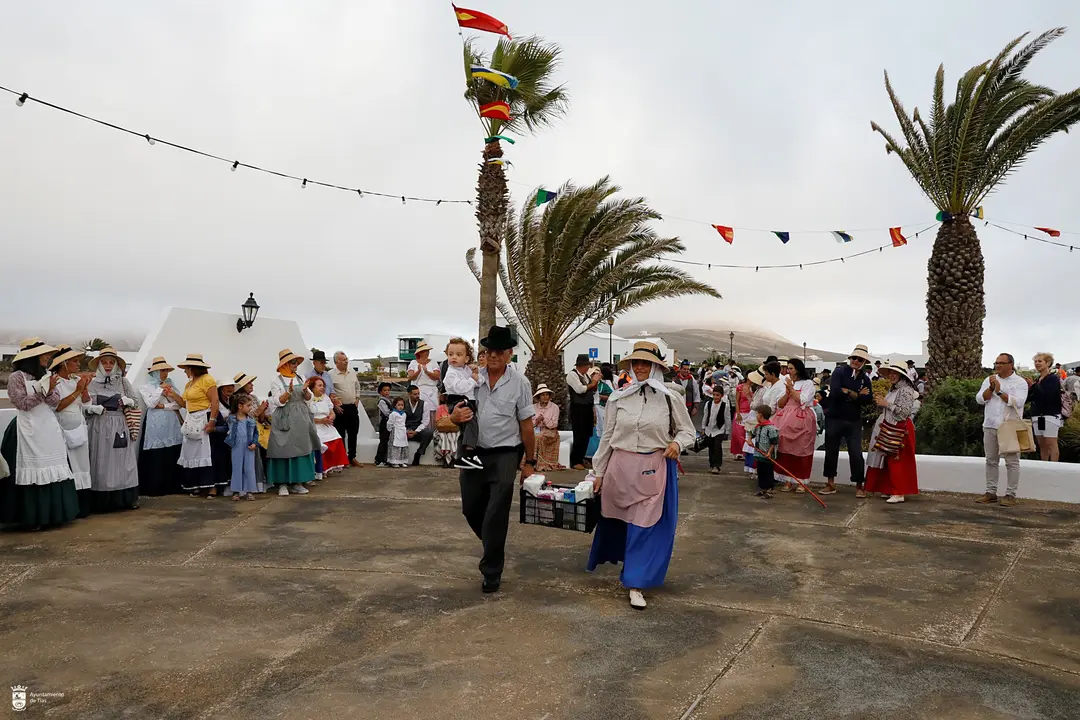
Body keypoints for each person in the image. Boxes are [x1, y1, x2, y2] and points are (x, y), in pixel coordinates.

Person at [587, 341, 694, 610]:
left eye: (647, 363)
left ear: (657, 367)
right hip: (619, 468)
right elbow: (608, 436)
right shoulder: (618, 397)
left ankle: (635, 582)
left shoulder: (670, 398)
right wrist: (598, 471)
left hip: (654, 468)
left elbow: (687, 431)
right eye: (637, 363)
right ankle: (627, 567)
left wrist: (676, 444)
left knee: (644, 525)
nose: (642, 367)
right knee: (617, 521)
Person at [449, 326, 536, 594]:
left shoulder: (520, 382)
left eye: (500, 351)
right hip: (472, 452)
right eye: (489, 351)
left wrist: (530, 462)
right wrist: (453, 418)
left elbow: (527, 425)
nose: (494, 356)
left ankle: (491, 570)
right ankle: (494, 546)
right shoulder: (471, 379)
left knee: (496, 512)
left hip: (506, 454)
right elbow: (447, 421)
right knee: (471, 509)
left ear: (509, 354)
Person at [1, 339, 79, 529]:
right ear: (33, 357)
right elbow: (22, 403)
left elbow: (54, 401)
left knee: (54, 466)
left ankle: (54, 515)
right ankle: (31, 517)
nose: (47, 359)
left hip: (47, 427)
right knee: (29, 467)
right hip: (27, 428)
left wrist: (50, 390)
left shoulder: (45, 375)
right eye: (44, 356)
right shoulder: (17, 378)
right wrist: (44, 392)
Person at [85, 347, 141, 512]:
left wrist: (128, 401)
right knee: (100, 461)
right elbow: (82, 405)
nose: (108, 365)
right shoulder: (91, 383)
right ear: (99, 364)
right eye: (104, 362)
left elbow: (135, 402)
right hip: (99, 425)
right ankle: (101, 501)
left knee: (122, 461)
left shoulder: (123, 382)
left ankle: (126, 498)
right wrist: (91, 409)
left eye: (111, 362)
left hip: (119, 424)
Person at [975, 353, 1029, 507]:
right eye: (996, 362)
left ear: (1010, 365)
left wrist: (999, 392)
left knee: (1012, 462)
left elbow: (1018, 402)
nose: (997, 365)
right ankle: (990, 492)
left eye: (1001, 363)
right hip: (990, 424)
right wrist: (991, 389)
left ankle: (1011, 494)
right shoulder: (990, 379)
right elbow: (980, 399)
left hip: (1009, 426)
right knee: (991, 460)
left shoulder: (1020, 382)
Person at [47, 345, 95, 515]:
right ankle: (70, 506)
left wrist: (85, 389)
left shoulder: (75, 380)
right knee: (70, 465)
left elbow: (87, 403)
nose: (77, 364)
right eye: (74, 361)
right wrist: (78, 391)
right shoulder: (55, 383)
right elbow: (58, 406)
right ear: (64, 364)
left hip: (78, 426)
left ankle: (83, 505)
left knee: (82, 464)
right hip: (63, 428)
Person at [822, 345, 874, 497]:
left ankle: (859, 485)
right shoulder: (839, 371)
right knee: (831, 451)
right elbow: (836, 392)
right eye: (854, 358)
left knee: (856, 453)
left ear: (864, 361)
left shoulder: (865, 379)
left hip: (853, 420)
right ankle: (830, 483)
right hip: (834, 418)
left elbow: (868, 399)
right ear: (850, 358)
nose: (856, 361)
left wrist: (850, 392)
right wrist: (857, 394)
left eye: (860, 359)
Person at [865, 363, 920, 503]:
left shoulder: (905, 390)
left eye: (894, 373)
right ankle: (890, 488)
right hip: (890, 426)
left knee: (897, 460)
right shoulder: (894, 389)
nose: (891, 375)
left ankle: (898, 491)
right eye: (890, 373)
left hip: (900, 429)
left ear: (902, 375)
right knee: (888, 459)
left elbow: (903, 412)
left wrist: (886, 404)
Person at [266, 349, 317, 496]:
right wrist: (288, 392)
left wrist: (306, 391)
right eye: (293, 362)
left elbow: (309, 398)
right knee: (283, 448)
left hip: (301, 417)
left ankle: (298, 482)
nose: (296, 365)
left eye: (296, 362)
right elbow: (277, 401)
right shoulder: (276, 381)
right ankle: (282, 483)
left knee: (301, 447)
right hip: (285, 416)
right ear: (285, 364)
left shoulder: (300, 377)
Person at [168, 353, 219, 498]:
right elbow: (184, 403)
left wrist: (212, 420)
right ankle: (197, 484)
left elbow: (214, 401)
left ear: (192, 368)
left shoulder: (207, 380)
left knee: (206, 452)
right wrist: (172, 394)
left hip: (204, 416)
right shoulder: (189, 384)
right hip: (192, 418)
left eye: (186, 368)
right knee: (191, 453)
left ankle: (211, 486)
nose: (185, 371)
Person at [138, 357, 184, 497]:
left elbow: (179, 404)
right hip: (155, 424)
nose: (165, 373)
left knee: (171, 451)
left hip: (171, 422)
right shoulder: (146, 387)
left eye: (166, 370)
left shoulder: (171, 385)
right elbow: (151, 404)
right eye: (162, 370)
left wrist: (164, 405)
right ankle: (155, 487)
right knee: (156, 454)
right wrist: (159, 391)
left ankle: (173, 485)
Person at [773, 358, 817, 493]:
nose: (788, 371)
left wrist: (791, 390)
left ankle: (801, 481)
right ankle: (787, 479)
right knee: (785, 447)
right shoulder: (787, 383)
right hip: (786, 418)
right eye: (788, 368)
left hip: (801, 419)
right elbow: (780, 404)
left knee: (801, 449)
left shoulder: (808, 383)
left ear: (797, 369)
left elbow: (803, 399)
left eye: (791, 368)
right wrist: (787, 392)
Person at [442, 337, 482, 469]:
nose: (454, 357)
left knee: (468, 427)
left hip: (467, 399)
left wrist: (475, 373)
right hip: (457, 400)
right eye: (451, 354)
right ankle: (469, 453)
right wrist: (472, 379)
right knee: (471, 423)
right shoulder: (451, 373)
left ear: (466, 358)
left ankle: (464, 456)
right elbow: (460, 387)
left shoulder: (466, 369)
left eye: (458, 355)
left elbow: (480, 382)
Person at [308, 376, 348, 475]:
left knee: (337, 438)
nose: (322, 388)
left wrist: (331, 417)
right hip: (315, 426)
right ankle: (322, 468)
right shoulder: (309, 399)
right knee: (321, 442)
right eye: (319, 385)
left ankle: (331, 466)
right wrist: (321, 421)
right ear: (312, 387)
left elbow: (332, 412)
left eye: (323, 386)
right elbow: (307, 417)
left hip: (327, 424)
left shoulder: (325, 397)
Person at [330, 352, 364, 468]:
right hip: (340, 408)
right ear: (336, 362)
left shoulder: (352, 373)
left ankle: (352, 457)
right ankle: (343, 459)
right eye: (343, 359)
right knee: (341, 433)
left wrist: (357, 398)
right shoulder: (330, 375)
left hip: (352, 407)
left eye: (346, 359)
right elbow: (330, 392)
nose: (346, 361)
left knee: (353, 432)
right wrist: (334, 405)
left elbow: (357, 387)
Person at [1027, 352, 1062, 462]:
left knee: (1051, 443)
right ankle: (1044, 466)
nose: (1037, 363)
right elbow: (1032, 397)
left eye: (1040, 361)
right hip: (1037, 415)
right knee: (1042, 444)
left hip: (1050, 415)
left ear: (1048, 363)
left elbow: (1048, 395)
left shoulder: (1052, 379)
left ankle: (1054, 468)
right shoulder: (1038, 380)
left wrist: (1033, 385)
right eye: (1035, 361)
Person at [566, 354, 599, 470]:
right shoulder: (572, 375)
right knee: (579, 434)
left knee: (586, 434)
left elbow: (592, 391)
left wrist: (595, 383)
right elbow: (580, 389)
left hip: (587, 408)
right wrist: (593, 383)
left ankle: (581, 458)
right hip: (578, 409)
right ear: (582, 365)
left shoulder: (586, 376)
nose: (588, 368)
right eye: (587, 366)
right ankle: (575, 460)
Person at [225, 393, 259, 501]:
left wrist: (254, 443)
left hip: (248, 446)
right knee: (237, 467)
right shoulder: (231, 419)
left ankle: (249, 491)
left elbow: (256, 433)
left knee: (249, 468)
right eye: (248, 405)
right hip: (236, 445)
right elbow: (226, 429)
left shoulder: (251, 420)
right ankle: (236, 491)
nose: (250, 408)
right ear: (240, 406)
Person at [407, 342, 441, 431]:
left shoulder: (433, 362)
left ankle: (432, 432)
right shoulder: (413, 363)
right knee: (420, 411)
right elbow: (410, 377)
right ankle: (417, 431)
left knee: (432, 412)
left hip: (431, 391)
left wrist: (427, 372)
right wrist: (418, 371)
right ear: (421, 352)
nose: (428, 352)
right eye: (426, 351)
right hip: (418, 391)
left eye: (428, 351)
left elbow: (437, 376)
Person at [531, 384, 564, 472]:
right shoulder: (533, 407)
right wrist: (536, 421)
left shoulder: (554, 407)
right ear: (539, 396)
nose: (545, 397)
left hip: (551, 431)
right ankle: (529, 462)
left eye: (547, 394)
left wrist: (544, 420)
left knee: (539, 437)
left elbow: (554, 424)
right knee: (532, 436)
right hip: (536, 430)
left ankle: (536, 462)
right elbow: (530, 423)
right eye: (543, 395)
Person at [210, 378, 235, 495]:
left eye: (232, 386)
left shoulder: (233, 401)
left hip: (233, 434)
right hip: (220, 436)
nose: (230, 388)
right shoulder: (217, 403)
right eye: (227, 386)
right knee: (221, 459)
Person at [751, 405, 779, 499]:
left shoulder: (770, 428)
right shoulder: (758, 427)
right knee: (761, 472)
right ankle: (763, 489)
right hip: (759, 454)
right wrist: (750, 440)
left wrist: (769, 452)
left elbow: (774, 442)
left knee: (768, 472)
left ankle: (770, 490)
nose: (756, 416)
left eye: (757, 414)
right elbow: (752, 434)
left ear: (760, 415)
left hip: (767, 455)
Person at [700, 385, 729, 474]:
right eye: (714, 395)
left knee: (717, 447)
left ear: (722, 396)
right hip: (709, 429)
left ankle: (717, 465)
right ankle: (712, 464)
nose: (716, 397)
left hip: (719, 430)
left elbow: (727, 419)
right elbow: (705, 416)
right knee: (711, 447)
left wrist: (727, 431)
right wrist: (703, 428)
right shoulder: (708, 404)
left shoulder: (725, 406)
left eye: (718, 395)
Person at [741, 371, 765, 475]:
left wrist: (748, 396)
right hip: (753, 417)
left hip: (756, 417)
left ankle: (754, 469)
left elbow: (755, 405)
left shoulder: (762, 390)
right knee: (750, 441)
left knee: (753, 442)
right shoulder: (759, 389)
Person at [404, 385, 434, 465]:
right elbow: (400, 421)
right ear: (409, 394)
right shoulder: (403, 404)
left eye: (418, 394)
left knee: (429, 432)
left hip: (418, 430)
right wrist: (406, 431)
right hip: (405, 430)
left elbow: (425, 421)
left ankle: (419, 454)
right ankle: (400, 458)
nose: (417, 396)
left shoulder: (424, 404)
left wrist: (416, 431)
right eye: (415, 394)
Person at [730, 374, 753, 461]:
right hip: (741, 412)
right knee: (737, 433)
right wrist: (738, 413)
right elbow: (737, 400)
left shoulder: (755, 388)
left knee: (746, 433)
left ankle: (745, 452)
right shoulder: (740, 387)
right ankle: (738, 452)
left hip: (750, 413)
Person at [433, 394, 460, 468]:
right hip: (441, 429)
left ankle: (452, 459)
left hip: (454, 429)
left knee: (454, 437)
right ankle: (447, 459)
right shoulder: (440, 408)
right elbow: (437, 421)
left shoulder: (456, 408)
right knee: (444, 437)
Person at [374, 382, 393, 467]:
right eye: (385, 390)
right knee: (383, 441)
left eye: (388, 390)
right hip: (385, 422)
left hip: (389, 422)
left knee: (387, 441)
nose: (387, 392)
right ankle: (379, 459)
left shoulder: (389, 400)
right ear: (380, 391)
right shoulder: (382, 401)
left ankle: (385, 459)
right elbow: (386, 412)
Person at [386, 397, 410, 467]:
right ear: (395, 405)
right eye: (399, 405)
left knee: (403, 446)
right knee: (395, 446)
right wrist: (390, 430)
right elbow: (389, 423)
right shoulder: (393, 414)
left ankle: (401, 461)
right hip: (396, 431)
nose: (400, 407)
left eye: (402, 405)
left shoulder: (404, 414)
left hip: (402, 432)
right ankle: (394, 462)